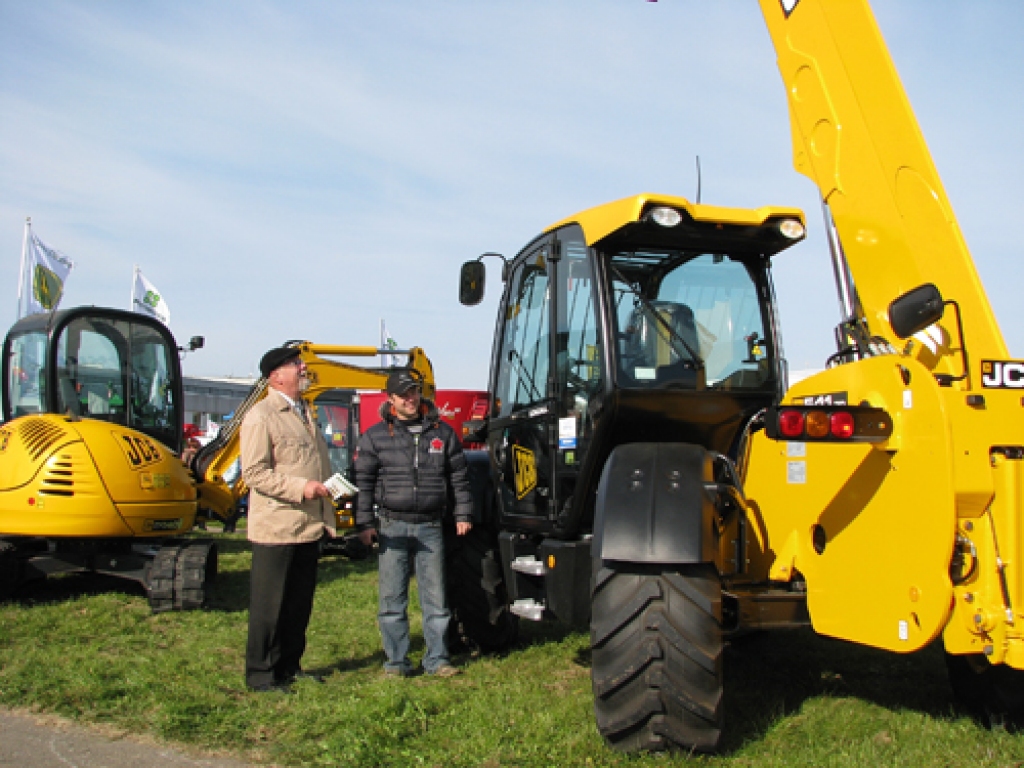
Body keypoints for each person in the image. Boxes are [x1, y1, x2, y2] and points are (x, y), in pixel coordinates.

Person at [355, 370, 473, 678]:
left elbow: (459, 478)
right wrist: (364, 522)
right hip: (391, 525)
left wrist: (463, 514)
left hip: (431, 527)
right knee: (392, 599)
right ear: (391, 399)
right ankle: (396, 662)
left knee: (436, 600)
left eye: (414, 392)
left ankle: (438, 660)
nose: (411, 399)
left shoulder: (443, 434)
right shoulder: (375, 436)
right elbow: (363, 482)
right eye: (404, 394)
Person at [240, 345, 334, 692]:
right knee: (270, 608)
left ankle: (289, 667)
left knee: (297, 605)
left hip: (307, 527)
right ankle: (261, 675)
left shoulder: (305, 413)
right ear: (276, 375)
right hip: (277, 528)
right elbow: (254, 473)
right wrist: (302, 487)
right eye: (296, 364)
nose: (303, 367)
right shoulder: (261, 415)